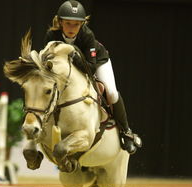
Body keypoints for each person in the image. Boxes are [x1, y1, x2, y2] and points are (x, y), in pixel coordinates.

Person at [44, 0, 141, 154]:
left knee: (111, 92)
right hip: (69, 71)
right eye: (68, 23)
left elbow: (90, 67)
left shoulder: (87, 35)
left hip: (97, 62)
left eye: (76, 24)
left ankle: (126, 132)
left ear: (82, 24)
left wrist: (73, 55)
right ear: (60, 22)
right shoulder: (52, 35)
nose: (71, 28)